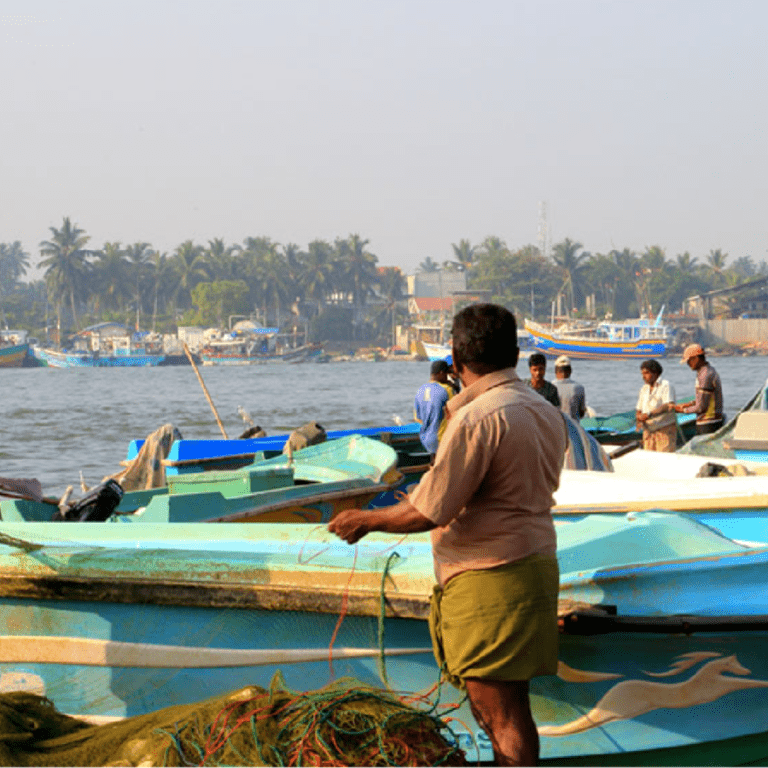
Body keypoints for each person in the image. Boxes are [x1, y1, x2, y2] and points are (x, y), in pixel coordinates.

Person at [329, 304, 567, 766]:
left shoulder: (478, 418)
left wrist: (364, 520)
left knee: (499, 714)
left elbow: (430, 510)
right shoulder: (542, 409)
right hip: (534, 564)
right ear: (515, 354)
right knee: (511, 707)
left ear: (456, 360)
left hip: (489, 579)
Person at [675, 343, 724, 434]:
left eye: (689, 361)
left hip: (708, 423)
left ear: (696, 358)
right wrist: (689, 404)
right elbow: (705, 399)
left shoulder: (705, 375)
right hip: (711, 421)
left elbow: (701, 407)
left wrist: (681, 410)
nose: (688, 364)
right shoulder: (707, 371)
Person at [413, 359, 454, 459]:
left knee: (434, 462)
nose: (448, 377)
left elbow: (417, 418)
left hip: (426, 439)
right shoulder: (447, 389)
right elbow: (456, 413)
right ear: (441, 373)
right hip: (441, 438)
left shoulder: (420, 390)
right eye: (447, 374)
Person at [635, 359, 677, 452]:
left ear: (655, 373)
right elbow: (639, 408)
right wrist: (638, 418)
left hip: (664, 430)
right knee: (650, 459)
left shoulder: (665, 385)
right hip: (648, 430)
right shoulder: (644, 389)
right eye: (642, 374)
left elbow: (668, 405)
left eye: (646, 373)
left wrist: (649, 414)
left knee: (664, 458)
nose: (643, 376)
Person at [553, 355, 586, 420]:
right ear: (570, 371)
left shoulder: (550, 387)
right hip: (574, 428)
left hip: (557, 428)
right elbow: (581, 413)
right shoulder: (579, 388)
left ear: (556, 371)